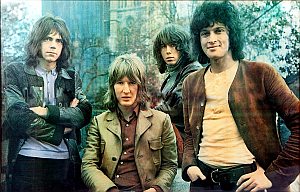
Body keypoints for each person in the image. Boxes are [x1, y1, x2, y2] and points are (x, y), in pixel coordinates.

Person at [181, 1, 299, 192]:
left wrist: (274, 175)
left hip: (247, 183)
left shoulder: (261, 74)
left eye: (219, 30)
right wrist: (189, 165)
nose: (211, 38)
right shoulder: (190, 83)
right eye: (205, 33)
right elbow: (188, 133)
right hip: (202, 183)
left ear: (232, 34)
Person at [4, 15, 92, 192]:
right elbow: (18, 117)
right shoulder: (15, 72)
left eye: (58, 41)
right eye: (48, 39)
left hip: (65, 163)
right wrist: (62, 130)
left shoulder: (71, 77)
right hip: (28, 161)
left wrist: (46, 112)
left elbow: (84, 113)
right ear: (37, 41)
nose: (53, 45)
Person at [81, 54, 177, 192]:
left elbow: (170, 165)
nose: (126, 90)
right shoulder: (99, 122)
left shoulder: (161, 121)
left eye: (132, 83)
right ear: (112, 87)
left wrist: (156, 188)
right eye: (120, 82)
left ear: (140, 86)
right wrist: (109, 190)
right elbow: (88, 165)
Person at [152, 24, 202, 166]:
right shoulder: (170, 76)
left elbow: (178, 107)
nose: (168, 51)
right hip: (170, 136)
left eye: (174, 45)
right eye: (163, 46)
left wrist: (147, 113)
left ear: (184, 47)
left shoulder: (193, 71)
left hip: (185, 142)